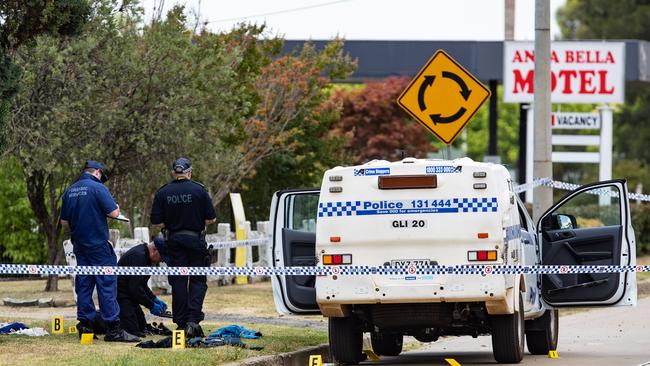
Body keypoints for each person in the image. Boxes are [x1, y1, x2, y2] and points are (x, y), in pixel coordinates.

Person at [60, 160, 139, 342]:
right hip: (99, 246)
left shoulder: (69, 191)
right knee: (107, 285)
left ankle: (86, 327)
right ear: (97, 172)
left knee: (84, 285)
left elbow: (64, 222)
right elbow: (113, 212)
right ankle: (113, 329)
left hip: (79, 245)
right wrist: (114, 207)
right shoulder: (98, 188)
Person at [150, 157, 217, 338]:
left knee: (178, 282)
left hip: (174, 242)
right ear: (189, 172)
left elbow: (156, 221)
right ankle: (193, 321)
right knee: (197, 281)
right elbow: (211, 218)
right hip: (196, 241)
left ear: (174, 172)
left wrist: (173, 223)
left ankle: (180, 323)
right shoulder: (199, 190)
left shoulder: (163, 192)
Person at [116, 236, 170, 337]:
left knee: (142, 327)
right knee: (132, 331)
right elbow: (135, 288)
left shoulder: (146, 258)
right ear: (155, 251)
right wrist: (151, 305)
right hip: (120, 296)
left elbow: (142, 285)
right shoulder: (138, 256)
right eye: (162, 257)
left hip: (130, 296)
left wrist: (154, 298)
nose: (161, 261)